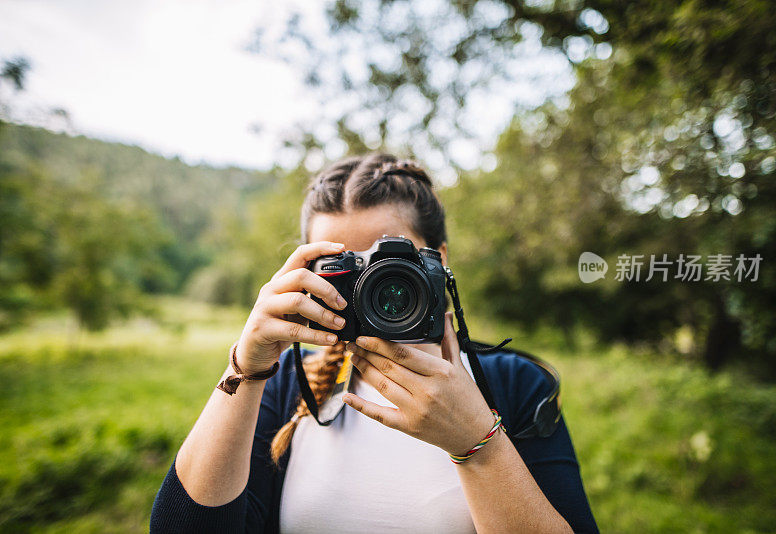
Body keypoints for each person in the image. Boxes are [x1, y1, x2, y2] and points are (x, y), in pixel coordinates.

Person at [150, 153, 598, 533]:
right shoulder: (287, 380)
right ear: (304, 272)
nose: (371, 284)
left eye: (388, 260)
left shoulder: (515, 383)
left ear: (439, 261)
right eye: (344, 265)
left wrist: (476, 442)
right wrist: (245, 369)